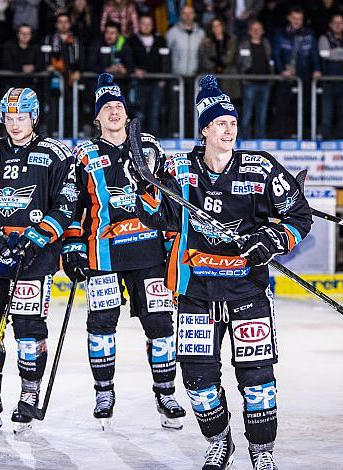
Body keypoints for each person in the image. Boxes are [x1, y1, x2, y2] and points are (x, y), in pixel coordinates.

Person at [130, 74, 313, 469]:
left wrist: (272, 238)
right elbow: (157, 216)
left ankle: (261, 451)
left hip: (247, 291)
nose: (229, 129)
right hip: (197, 292)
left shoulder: (260, 168)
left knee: (258, 379)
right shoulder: (180, 169)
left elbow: (299, 215)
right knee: (198, 380)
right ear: (204, 130)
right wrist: (144, 183)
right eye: (220, 123)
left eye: (233, 123)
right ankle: (219, 441)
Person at [64, 73, 186, 430]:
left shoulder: (149, 146)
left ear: (127, 113)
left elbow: (170, 195)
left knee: (161, 325)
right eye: (107, 108)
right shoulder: (83, 154)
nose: (114, 111)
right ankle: (104, 392)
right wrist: (72, 246)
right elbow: (72, 204)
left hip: (149, 252)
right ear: (97, 118)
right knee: (101, 324)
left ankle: (165, 392)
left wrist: (171, 241)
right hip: (102, 253)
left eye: (118, 105)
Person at [0, 87, 75, 433]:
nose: (15, 124)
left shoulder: (55, 154)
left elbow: (67, 203)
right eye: (9, 118)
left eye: (21, 117)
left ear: (34, 117)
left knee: (27, 331)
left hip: (35, 257)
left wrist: (35, 238)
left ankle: (28, 395)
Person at [272, 5, 321, 138]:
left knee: (305, 107)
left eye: (299, 19)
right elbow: (276, 54)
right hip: (286, 76)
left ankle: (304, 137)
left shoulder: (309, 34)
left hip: (304, 75)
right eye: (294, 18)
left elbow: (314, 54)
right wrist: (282, 70)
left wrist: (317, 69)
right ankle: (282, 136)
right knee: (283, 106)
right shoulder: (280, 34)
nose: (297, 21)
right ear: (289, 18)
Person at [128, 14, 170, 137]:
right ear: (138, 25)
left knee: (154, 113)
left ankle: (152, 142)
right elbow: (128, 59)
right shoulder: (132, 40)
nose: (146, 26)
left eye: (149, 24)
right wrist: (134, 70)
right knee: (139, 113)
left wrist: (163, 77)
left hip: (156, 83)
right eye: (143, 24)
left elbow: (166, 60)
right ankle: (136, 142)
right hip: (138, 83)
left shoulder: (160, 40)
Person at [166, 4, 205, 136]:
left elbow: (203, 55)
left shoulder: (201, 33)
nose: (188, 16)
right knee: (176, 107)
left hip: (195, 77)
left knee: (194, 107)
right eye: (185, 13)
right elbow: (166, 54)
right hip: (177, 76)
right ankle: (176, 134)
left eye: (190, 13)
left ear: (194, 15)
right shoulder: (172, 32)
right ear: (181, 15)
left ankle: (193, 134)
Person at [318, 13, 343, 140]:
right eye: (335, 22)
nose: (338, 25)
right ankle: (325, 141)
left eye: (340, 22)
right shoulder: (324, 38)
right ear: (330, 24)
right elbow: (324, 53)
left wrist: (335, 52)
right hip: (328, 81)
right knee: (327, 114)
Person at [237, 19, 273, 139]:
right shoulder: (244, 44)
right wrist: (244, 75)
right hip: (249, 83)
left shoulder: (266, 44)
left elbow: (271, 61)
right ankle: (245, 140)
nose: (257, 31)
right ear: (249, 31)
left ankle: (260, 141)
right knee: (247, 114)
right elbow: (240, 62)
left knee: (262, 115)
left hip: (264, 83)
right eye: (254, 29)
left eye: (259, 29)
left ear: (262, 31)